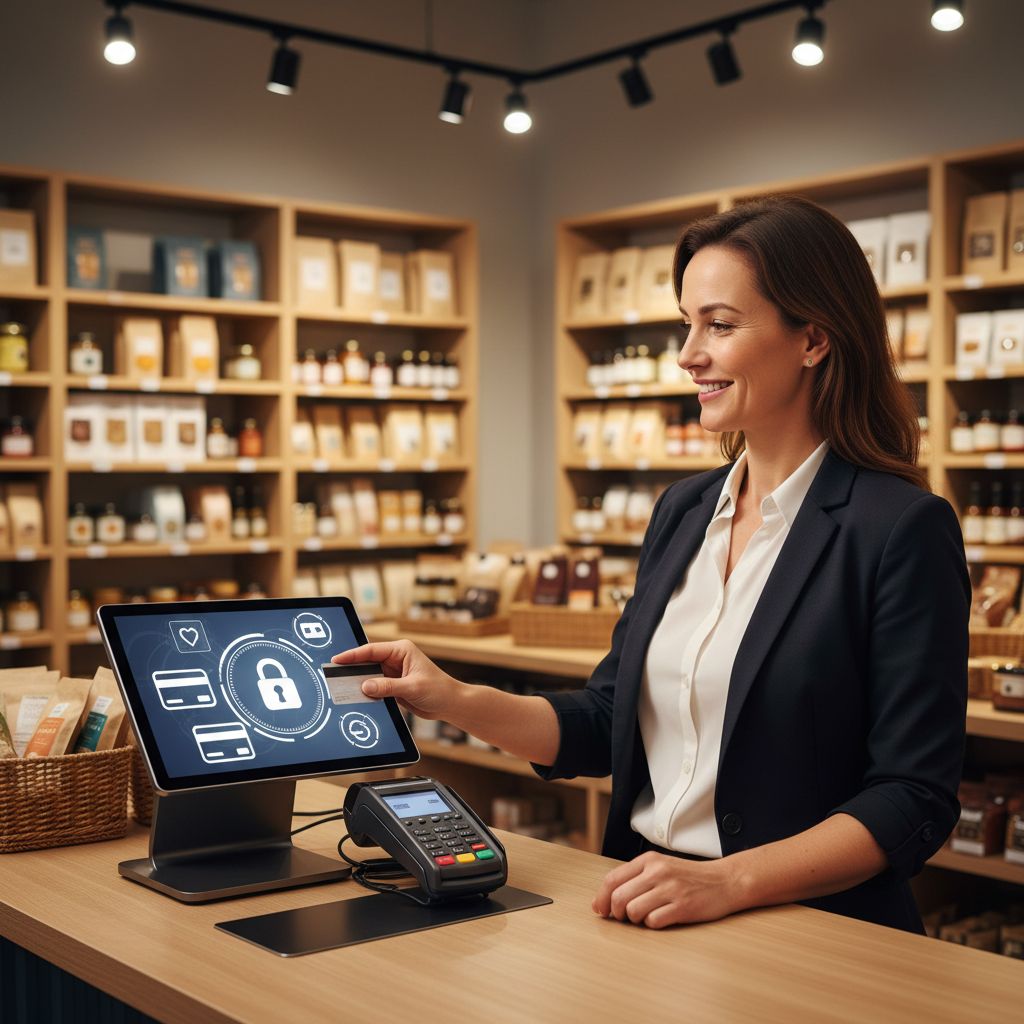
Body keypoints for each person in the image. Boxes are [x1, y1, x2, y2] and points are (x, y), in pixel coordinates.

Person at [333, 195, 969, 934]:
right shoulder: (685, 511)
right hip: (648, 903)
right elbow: (609, 721)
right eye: (687, 323)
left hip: (809, 929)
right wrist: (451, 699)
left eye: (719, 326)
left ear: (814, 339)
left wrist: (727, 881)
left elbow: (912, 796)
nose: (688, 354)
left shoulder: (898, 529)